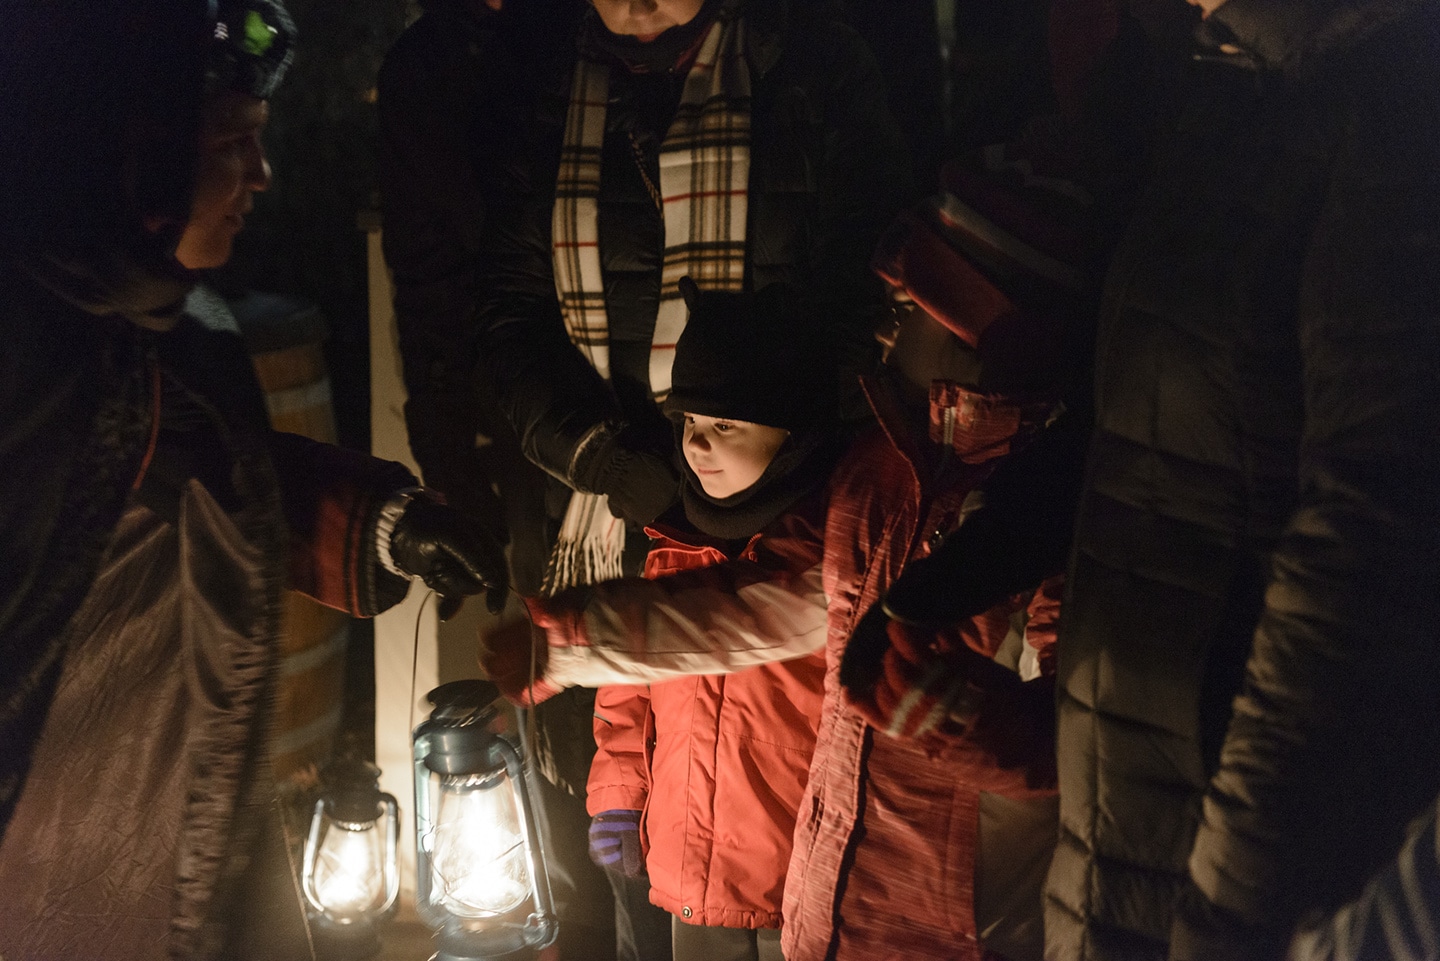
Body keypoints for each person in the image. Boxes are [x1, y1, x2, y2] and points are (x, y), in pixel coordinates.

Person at [0, 1, 507, 956]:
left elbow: (211, 482)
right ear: (134, 156)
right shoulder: (31, 357)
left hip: (147, 854)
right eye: (233, 143)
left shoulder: (174, 335)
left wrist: (385, 523)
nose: (262, 177)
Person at [482, 176, 1085, 957]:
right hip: (829, 908)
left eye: (910, 310)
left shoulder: (1047, 510)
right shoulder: (881, 475)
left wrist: (957, 712)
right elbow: (758, 607)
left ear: (986, 331)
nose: (885, 330)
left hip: (962, 930)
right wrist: (575, 643)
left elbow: (1083, 743)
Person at [965, 0, 1440, 957]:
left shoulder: (1391, 101)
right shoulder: (1218, 81)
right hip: (1134, 798)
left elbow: (1365, 539)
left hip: (1229, 831)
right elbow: (1140, 418)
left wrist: (1235, 904)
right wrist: (950, 580)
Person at [472, 1, 910, 955]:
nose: (633, 6)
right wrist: (617, 466)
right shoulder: (544, 82)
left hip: (780, 489)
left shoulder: (812, 65)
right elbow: (502, 309)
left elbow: (863, 275)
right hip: (604, 508)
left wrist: (785, 453)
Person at [554, 278, 840, 961]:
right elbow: (628, 694)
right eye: (688, 425)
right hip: (690, 869)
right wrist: (618, 797)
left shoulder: (821, 561)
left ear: (792, 431)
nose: (698, 446)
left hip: (795, 879)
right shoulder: (672, 549)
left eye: (725, 427)